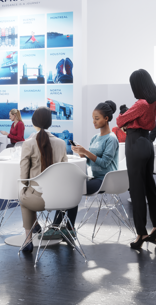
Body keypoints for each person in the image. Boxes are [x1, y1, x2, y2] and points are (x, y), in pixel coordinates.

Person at [45, 101, 120, 239]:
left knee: (74, 188)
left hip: (107, 180)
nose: (94, 121)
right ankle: (65, 228)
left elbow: (104, 164)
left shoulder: (112, 139)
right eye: (93, 118)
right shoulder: (94, 138)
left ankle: (62, 227)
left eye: (97, 118)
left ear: (106, 119)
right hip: (95, 177)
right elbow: (91, 164)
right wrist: (82, 154)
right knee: (70, 186)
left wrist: (85, 151)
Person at [116, 69, 156, 249]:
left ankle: (141, 233)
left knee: (136, 190)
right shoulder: (153, 102)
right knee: (150, 186)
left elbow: (120, 121)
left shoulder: (141, 103)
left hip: (135, 143)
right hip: (147, 142)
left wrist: (126, 118)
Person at [18, 107, 69, 252]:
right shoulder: (61, 143)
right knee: (27, 194)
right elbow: (64, 172)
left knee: (23, 196)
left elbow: (23, 176)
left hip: (38, 201)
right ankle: (34, 226)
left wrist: (24, 188)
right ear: (50, 123)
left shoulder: (28, 143)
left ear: (34, 123)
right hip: (60, 199)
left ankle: (28, 238)